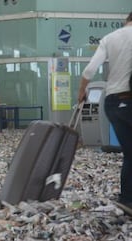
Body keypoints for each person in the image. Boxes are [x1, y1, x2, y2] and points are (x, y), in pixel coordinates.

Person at [77, 12, 132, 215]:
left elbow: (89, 71)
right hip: (129, 99)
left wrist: (81, 92)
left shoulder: (110, 38)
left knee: (130, 153)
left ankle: (127, 200)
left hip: (111, 102)